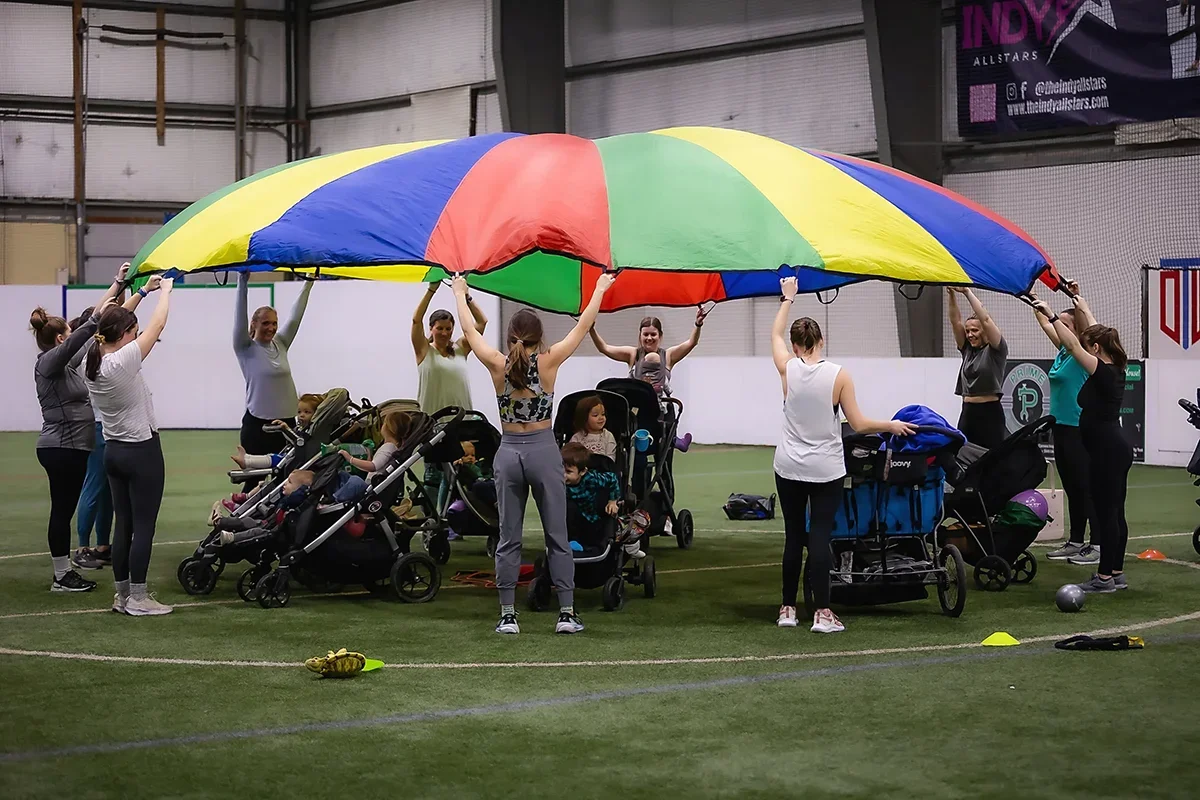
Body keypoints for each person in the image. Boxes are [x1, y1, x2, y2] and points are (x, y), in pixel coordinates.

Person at [454, 272, 616, 636]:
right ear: (538, 336)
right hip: (543, 452)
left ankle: (508, 615)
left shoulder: (498, 364)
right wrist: (601, 288)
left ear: (510, 336)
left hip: (509, 453)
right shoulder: (548, 361)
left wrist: (459, 292)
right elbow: (584, 324)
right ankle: (567, 613)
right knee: (556, 535)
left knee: (509, 537)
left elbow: (469, 332)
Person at [772, 277, 915, 633]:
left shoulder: (786, 368)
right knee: (820, 537)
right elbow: (859, 423)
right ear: (821, 341)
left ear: (794, 344)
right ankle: (822, 613)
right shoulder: (839, 375)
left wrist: (787, 298)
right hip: (825, 469)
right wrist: (892, 425)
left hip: (788, 465)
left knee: (794, 538)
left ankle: (787, 610)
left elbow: (774, 336)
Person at [30, 268, 128, 592]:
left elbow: (96, 329)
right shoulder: (48, 363)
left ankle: (62, 572)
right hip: (61, 447)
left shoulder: (65, 367)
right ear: (60, 339)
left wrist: (122, 289)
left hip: (68, 448)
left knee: (64, 509)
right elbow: (86, 330)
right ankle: (61, 576)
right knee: (62, 511)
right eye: (68, 333)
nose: (73, 335)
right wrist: (112, 291)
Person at [84, 277, 174, 615]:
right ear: (124, 337)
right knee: (144, 525)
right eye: (132, 333)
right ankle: (138, 598)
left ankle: (122, 595)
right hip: (141, 452)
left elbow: (110, 321)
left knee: (124, 524)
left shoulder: (92, 358)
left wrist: (140, 292)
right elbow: (158, 323)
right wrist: (164, 292)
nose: (136, 337)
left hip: (114, 453)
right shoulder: (122, 362)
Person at [1032, 295, 1132, 594]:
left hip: (1107, 451)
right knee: (1114, 512)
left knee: (1106, 513)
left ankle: (1104, 578)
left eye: (1090, 347)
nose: (1083, 350)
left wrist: (1051, 314)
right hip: (1112, 448)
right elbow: (1085, 338)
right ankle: (1116, 573)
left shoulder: (1103, 371)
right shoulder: (1113, 368)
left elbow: (1074, 345)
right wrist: (1081, 303)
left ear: (1097, 349)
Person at [1032, 285, 1099, 566]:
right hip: (1061, 429)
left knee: (1086, 487)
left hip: (1079, 429)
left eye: (1065, 323)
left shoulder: (1080, 352)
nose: (1058, 326)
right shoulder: (1062, 353)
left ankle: (1097, 544)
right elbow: (1045, 321)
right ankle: (1075, 541)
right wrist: (1031, 298)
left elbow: (1082, 329)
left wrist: (1075, 297)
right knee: (1071, 487)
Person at [412, 282, 487, 508]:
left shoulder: (461, 348)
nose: (444, 333)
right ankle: (432, 521)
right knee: (434, 476)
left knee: (461, 472)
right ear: (431, 328)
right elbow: (416, 320)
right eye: (439, 328)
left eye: (448, 328)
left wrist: (465, 296)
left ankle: (454, 516)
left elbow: (482, 322)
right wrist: (431, 290)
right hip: (433, 423)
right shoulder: (424, 349)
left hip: (461, 422)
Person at [233, 273, 313, 485]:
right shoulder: (245, 348)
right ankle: (244, 517)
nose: (271, 328)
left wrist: (308, 282)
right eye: (266, 323)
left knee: (286, 481)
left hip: (286, 426)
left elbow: (296, 317)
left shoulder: (281, 343)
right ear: (255, 324)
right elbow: (239, 317)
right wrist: (242, 280)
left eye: (274, 323)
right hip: (257, 427)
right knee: (255, 482)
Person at [590, 311, 708, 451]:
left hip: (661, 414)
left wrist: (698, 324)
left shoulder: (668, 355)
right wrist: (591, 329)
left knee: (663, 451)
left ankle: (671, 442)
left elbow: (691, 342)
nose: (649, 338)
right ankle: (672, 442)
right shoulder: (632, 354)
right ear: (640, 336)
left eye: (653, 334)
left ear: (660, 336)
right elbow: (604, 348)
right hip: (638, 415)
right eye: (645, 334)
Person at [947, 287, 1009, 449]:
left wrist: (967, 292)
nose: (969, 334)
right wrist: (951, 294)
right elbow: (955, 321)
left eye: (974, 330)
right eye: (967, 331)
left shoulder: (996, 349)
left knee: (990, 460)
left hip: (989, 413)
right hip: (968, 412)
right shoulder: (967, 349)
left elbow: (986, 319)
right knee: (963, 455)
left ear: (985, 332)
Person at [561, 443, 640, 558]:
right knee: (568, 509)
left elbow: (612, 479)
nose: (563, 475)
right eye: (560, 470)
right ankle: (572, 541)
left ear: (582, 472)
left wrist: (612, 501)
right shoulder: (559, 482)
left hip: (594, 516)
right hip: (574, 517)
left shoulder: (592, 479)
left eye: (568, 472)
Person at [569, 395, 617, 460]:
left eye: (603, 414)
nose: (601, 418)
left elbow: (611, 458)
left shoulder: (608, 436)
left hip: (603, 468)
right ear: (584, 418)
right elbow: (570, 457)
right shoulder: (577, 437)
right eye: (595, 415)